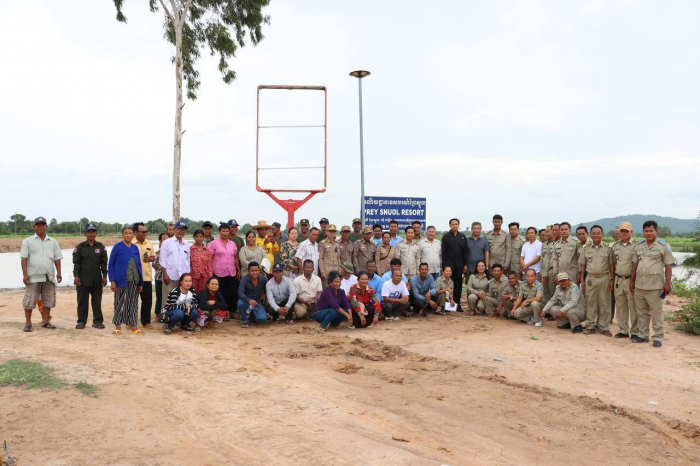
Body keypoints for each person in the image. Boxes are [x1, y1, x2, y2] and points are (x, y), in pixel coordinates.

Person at [631, 220, 674, 347]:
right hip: (640, 285)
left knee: (656, 313)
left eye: (651, 231)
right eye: (646, 231)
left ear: (656, 231)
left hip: (655, 286)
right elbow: (635, 264)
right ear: (643, 232)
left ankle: (658, 337)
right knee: (641, 312)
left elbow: (668, 265)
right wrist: (632, 281)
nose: (649, 233)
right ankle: (643, 335)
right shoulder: (639, 245)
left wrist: (667, 283)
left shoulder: (664, 246)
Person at [20, 217, 62, 332]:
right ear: (34, 227)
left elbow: (57, 258)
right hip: (33, 275)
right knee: (30, 299)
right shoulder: (27, 241)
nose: (40, 227)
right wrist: (25, 274)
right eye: (38, 225)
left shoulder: (53, 242)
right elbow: (24, 259)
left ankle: (46, 321)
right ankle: (28, 323)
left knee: (48, 299)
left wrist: (59, 272)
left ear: (46, 226)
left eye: (42, 225)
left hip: (49, 275)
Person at [108, 225, 144, 335]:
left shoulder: (135, 248)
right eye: (126, 233)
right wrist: (112, 281)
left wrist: (140, 283)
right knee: (119, 302)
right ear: (122, 234)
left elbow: (139, 265)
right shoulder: (117, 247)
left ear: (133, 234)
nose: (128, 235)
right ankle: (118, 326)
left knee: (133, 303)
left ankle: (133, 326)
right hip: (120, 280)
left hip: (134, 280)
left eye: (130, 233)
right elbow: (111, 264)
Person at [579, 225, 614, 336]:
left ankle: (604, 327)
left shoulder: (608, 248)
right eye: (594, 233)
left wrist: (612, 279)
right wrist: (582, 280)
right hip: (590, 278)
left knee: (605, 303)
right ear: (590, 234)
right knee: (590, 302)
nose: (596, 235)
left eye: (598, 233)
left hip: (604, 278)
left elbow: (611, 265)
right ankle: (590, 326)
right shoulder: (586, 248)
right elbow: (583, 265)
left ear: (602, 234)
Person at [72, 223, 107, 330]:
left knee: (97, 301)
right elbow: (76, 264)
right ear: (85, 233)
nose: (91, 234)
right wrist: (76, 276)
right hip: (83, 279)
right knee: (82, 301)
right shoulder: (79, 247)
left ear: (96, 233)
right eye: (89, 232)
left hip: (96, 279)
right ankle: (81, 321)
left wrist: (104, 276)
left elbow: (104, 263)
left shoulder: (101, 247)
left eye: (93, 232)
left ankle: (98, 321)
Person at [612, 221, 638, 339]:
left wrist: (633, 281)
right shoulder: (615, 246)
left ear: (631, 232)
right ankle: (623, 330)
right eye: (622, 231)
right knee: (621, 307)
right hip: (618, 280)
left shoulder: (637, 246)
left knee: (633, 307)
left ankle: (635, 331)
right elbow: (613, 263)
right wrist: (612, 279)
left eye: (626, 231)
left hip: (630, 280)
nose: (624, 233)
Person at [207, 223, 240, 315]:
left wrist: (238, 270)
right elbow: (210, 258)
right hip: (219, 272)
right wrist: (210, 272)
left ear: (229, 232)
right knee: (221, 292)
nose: (225, 233)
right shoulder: (214, 244)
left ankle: (232, 311)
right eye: (223, 231)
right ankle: (222, 311)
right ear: (219, 232)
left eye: (226, 231)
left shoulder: (232, 244)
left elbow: (235, 257)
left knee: (232, 291)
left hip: (232, 271)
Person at [441, 218, 469, 312]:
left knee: (458, 285)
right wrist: (444, 266)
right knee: (448, 285)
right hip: (449, 266)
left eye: (456, 224)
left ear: (458, 225)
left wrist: (465, 264)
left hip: (459, 265)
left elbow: (465, 251)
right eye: (452, 224)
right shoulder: (446, 236)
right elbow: (443, 252)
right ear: (450, 225)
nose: (454, 226)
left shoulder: (462, 236)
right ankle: (448, 306)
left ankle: (457, 305)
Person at [159, 221, 191, 297]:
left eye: (183, 230)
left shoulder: (186, 244)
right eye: (179, 229)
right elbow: (163, 260)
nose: (181, 231)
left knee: (182, 299)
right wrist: (165, 275)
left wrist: (187, 276)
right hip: (170, 277)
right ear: (174, 230)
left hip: (183, 278)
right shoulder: (167, 243)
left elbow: (187, 261)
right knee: (167, 299)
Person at [133, 222, 155, 328]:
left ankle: (146, 322)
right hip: (133, 277)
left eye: (146, 231)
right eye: (142, 232)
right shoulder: (130, 244)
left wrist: (150, 258)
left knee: (147, 300)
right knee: (132, 300)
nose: (145, 233)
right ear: (135, 232)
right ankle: (130, 321)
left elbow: (153, 257)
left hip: (146, 276)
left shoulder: (149, 244)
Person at [237, 261, 268, 328]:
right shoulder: (244, 279)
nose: (254, 272)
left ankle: (252, 317)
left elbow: (267, 290)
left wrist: (264, 294)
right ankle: (244, 320)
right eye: (252, 271)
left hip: (257, 303)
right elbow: (240, 293)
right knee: (240, 303)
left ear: (259, 271)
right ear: (248, 271)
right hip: (246, 303)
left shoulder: (263, 279)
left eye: (256, 270)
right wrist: (249, 300)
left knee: (262, 319)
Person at [190, 229, 213, 294]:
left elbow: (209, 264)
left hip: (204, 277)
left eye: (201, 237)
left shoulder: (206, 250)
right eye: (197, 237)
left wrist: (210, 277)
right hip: (193, 277)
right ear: (194, 237)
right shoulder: (190, 249)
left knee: (203, 294)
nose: (199, 239)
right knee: (193, 294)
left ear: (203, 237)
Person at [153, 232, 169, 321]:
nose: (165, 241)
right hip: (159, 277)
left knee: (168, 296)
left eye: (167, 239)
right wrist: (163, 267)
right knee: (159, 296)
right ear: (160, 241)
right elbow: (154, 264)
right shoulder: (159, 251)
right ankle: (157, 314)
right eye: (163, 239)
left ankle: (166, 314)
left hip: (170, 277)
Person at [540, 226, 554, 305]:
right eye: (545, 232)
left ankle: (552, 309)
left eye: (548, 231)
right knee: (545, 292)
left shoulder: (556, 243)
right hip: (544, 271)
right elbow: (542, 259)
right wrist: (542, 271)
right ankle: (546, 308)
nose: (546, 234)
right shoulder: (544, 244)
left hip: (551, 271)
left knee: (552, 291)